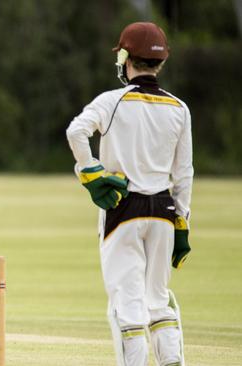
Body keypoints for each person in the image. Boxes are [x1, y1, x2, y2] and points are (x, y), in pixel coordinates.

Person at [66, 22, 193, 366]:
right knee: (158, 299)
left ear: (125, 58)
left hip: (123, 207)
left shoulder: (112, 101)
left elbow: (76, 131)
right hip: (164, 210)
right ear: (160, 63)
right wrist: (182, 222)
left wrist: (91, 172)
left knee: (127, 305)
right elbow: (183, 174)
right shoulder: (179, 109)